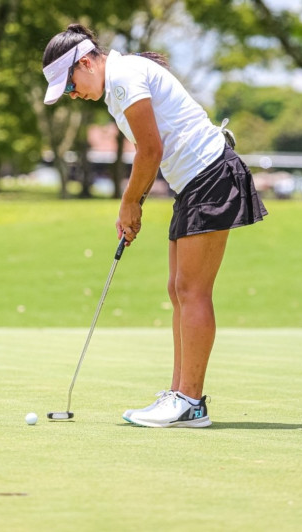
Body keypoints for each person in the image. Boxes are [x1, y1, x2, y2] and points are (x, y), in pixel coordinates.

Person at [42, 24, 267, 428]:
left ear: (87, 62)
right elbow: (153, 153)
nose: (73, 94)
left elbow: (151, 149)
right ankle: (180, 395)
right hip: (193, 183)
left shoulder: (124, 77)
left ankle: (191, 402)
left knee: (192, 289)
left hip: (211, 175)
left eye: (70, 84)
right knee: (177, 288)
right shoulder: (116, 89)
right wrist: (136, 204)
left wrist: (130, 203)